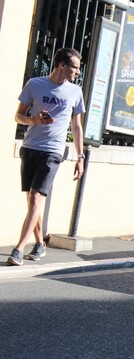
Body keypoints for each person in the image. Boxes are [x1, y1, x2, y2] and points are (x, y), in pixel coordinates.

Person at [7, 48, 86, 266]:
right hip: (30, 147)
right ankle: (40, 243)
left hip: (53, 151)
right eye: (75, 67)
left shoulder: (75, 92)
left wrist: (80, 157)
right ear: (62, 65)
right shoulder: (34, 84)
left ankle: (18, 250)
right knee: (33, 202)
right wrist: (34, 120)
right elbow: (18, 116)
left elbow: (77, 126)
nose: (78, 72)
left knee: (35, 198)